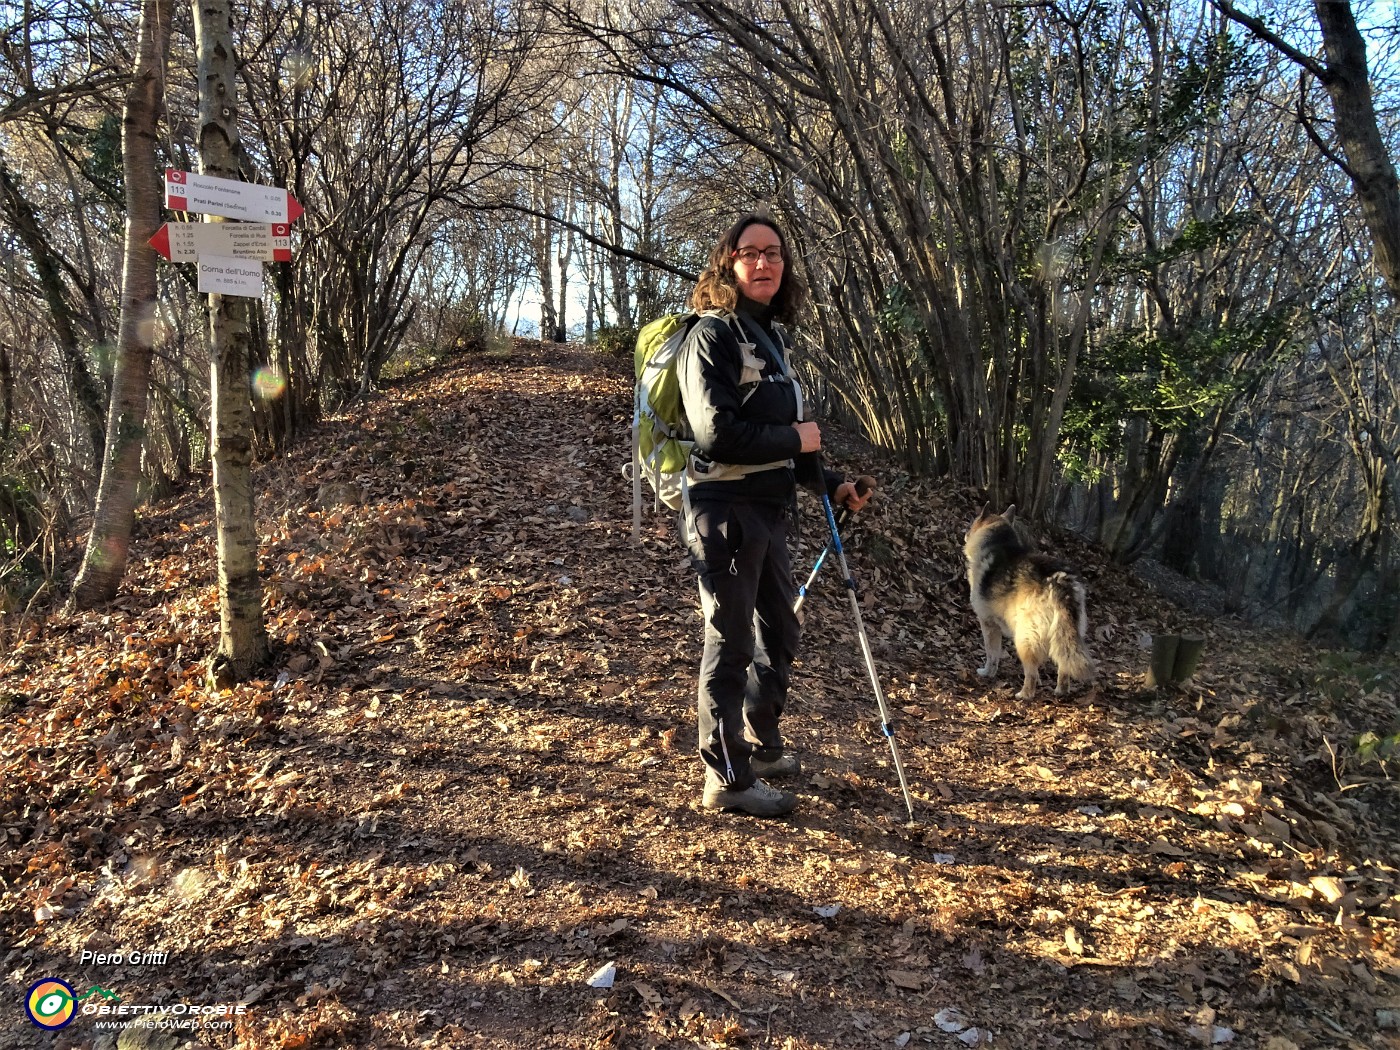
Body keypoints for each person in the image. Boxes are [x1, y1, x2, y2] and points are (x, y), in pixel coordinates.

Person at [677, 213, 873, 817]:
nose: (764, 263)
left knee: (780, 632)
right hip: (725, 512)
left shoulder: (767, 337)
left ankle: (759, 745)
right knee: (731, 643)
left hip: (765, 509)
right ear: (728, 262)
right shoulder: (711, 336)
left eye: (774, 253)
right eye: (750, 252)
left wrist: (832, 484)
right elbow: (717, 434)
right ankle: (727, 779)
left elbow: (791, 442)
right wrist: (797, 439)